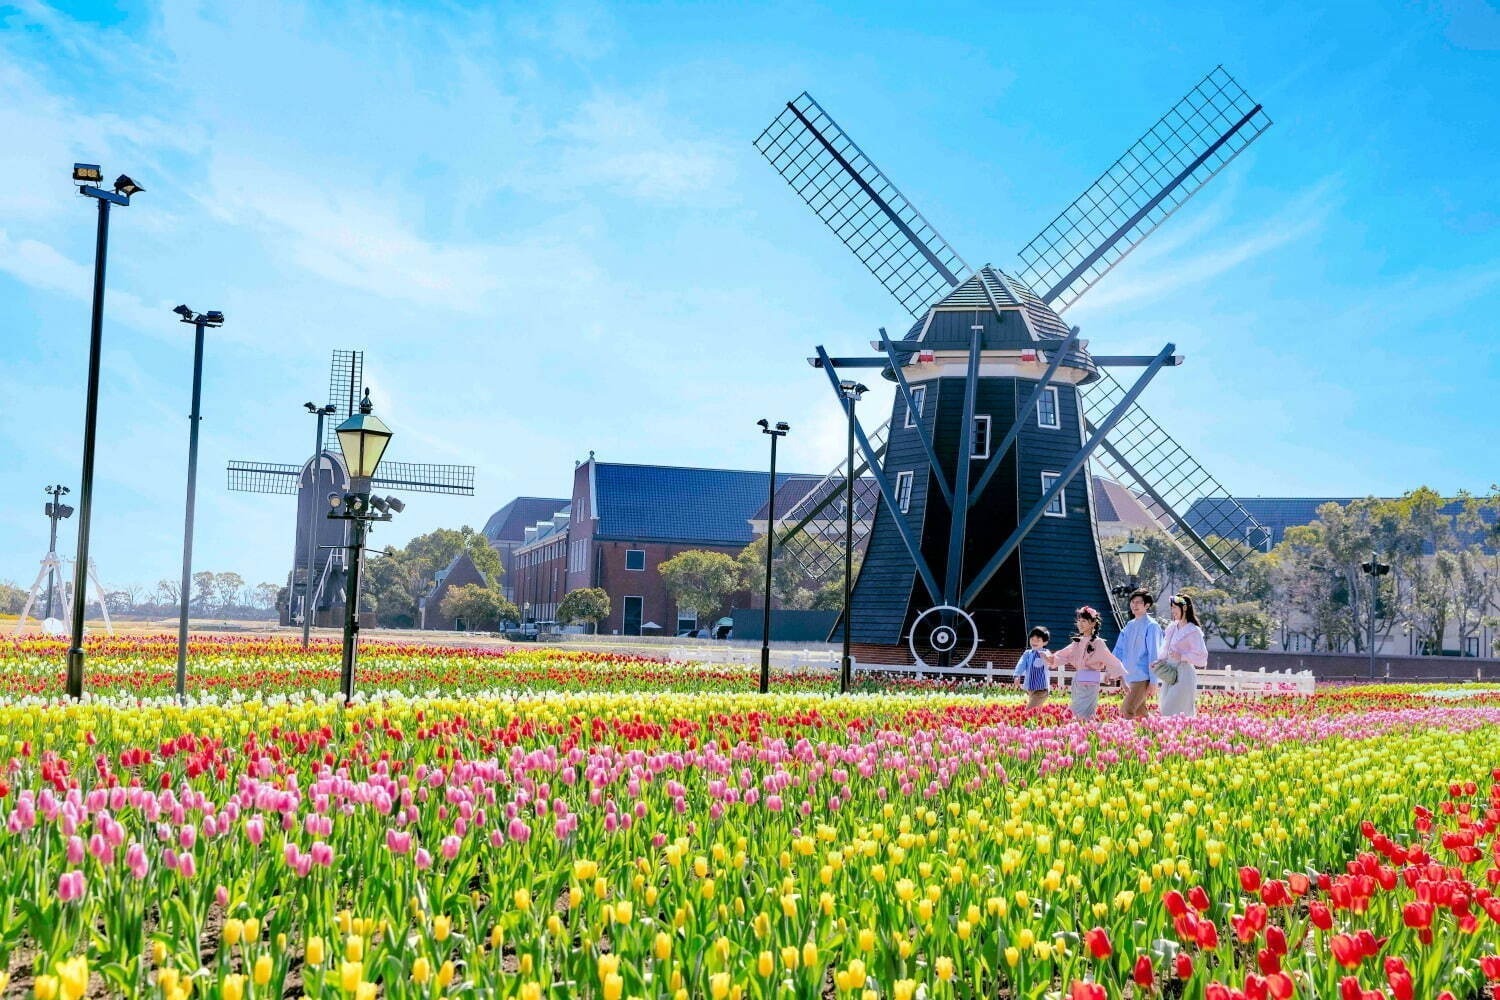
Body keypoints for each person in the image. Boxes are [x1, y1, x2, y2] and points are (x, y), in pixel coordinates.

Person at [1047, 606, 1123, 721]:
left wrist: (1122, 679)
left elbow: (1111, 660)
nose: (1080, 624)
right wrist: (1050, 659)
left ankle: (1081, 730)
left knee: (1082, 711)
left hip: (1091, 682)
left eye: (1084, 621)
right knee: (1079, 709)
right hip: (1078, 681)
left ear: (1093, 623)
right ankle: (1082, 731)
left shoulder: (1098, 643)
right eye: (1079, 621)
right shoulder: (1077, 642)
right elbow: (1063, 655)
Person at [1155, 593, 1207, 717]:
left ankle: (1183, 734)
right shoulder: (1172, 627)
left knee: (1173, 709)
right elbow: (1165, 647)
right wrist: (1159, 660)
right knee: (1165, 708)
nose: (1172, 611)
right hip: (1169, 673)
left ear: (1184, 608)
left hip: (1184, 673)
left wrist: (1182, 656)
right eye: (1171, 607)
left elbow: (1202, 657)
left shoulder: (1193, 631)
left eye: (1175, 607)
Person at [1115, 588, 1164, 720]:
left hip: (1143, 677)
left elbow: (1154, 654)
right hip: (1129, 675)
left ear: (1147, 605)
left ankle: (1128, 739)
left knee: (1127, 709)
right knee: (1141, 713)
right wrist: (1113, 670)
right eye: (1132, 602)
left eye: (1138, 602)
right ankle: (1157, 732)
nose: (1134, 605)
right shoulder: (1129, 626)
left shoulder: (1152, 626)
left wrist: (1154, 681)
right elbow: (1119, 650)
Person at [1014, 626, 1053, 709]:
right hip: (1030, 688)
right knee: (1036, 711)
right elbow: (1021, 664)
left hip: (1042, 689)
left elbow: (1051, 663)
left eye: (1038, 640)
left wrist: (1046, 658)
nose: (1034, 642)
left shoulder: (1046, 652)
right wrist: (1017, 675)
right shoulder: (1027, 653)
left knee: (1029, 710)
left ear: (1045, 642)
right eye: (1032, 640)